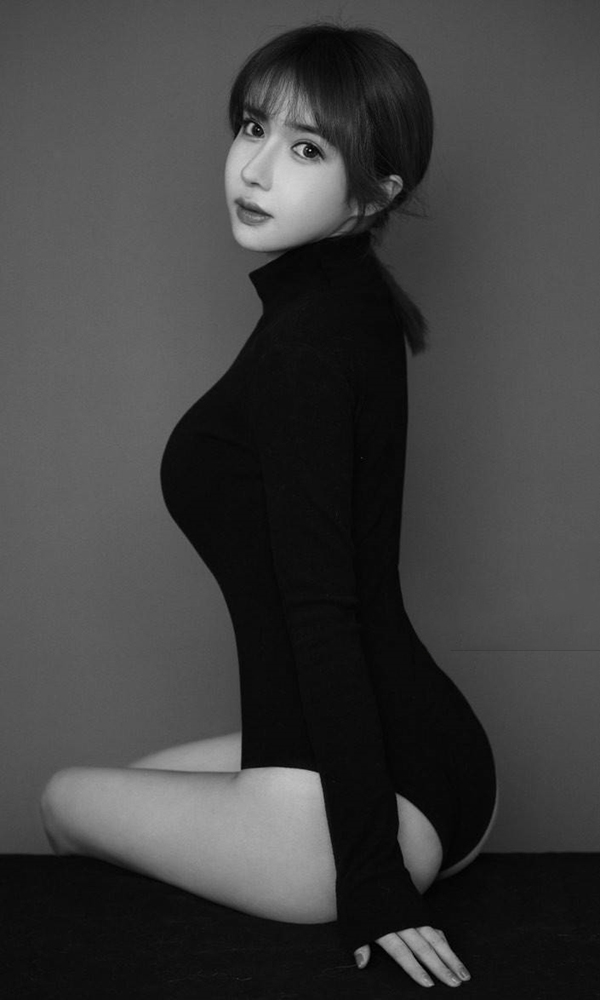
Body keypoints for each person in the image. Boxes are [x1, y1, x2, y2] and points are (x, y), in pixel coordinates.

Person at [40, 21, 498, 989]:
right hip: (445, 756)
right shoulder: (352, 304)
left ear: (373, 193)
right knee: (140, 781)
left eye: (306, 149)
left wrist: (370, 879)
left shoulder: (303, 349)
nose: (253, 169)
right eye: (253, 127)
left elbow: (321, 612)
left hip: (349, 818)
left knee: (62, 802)